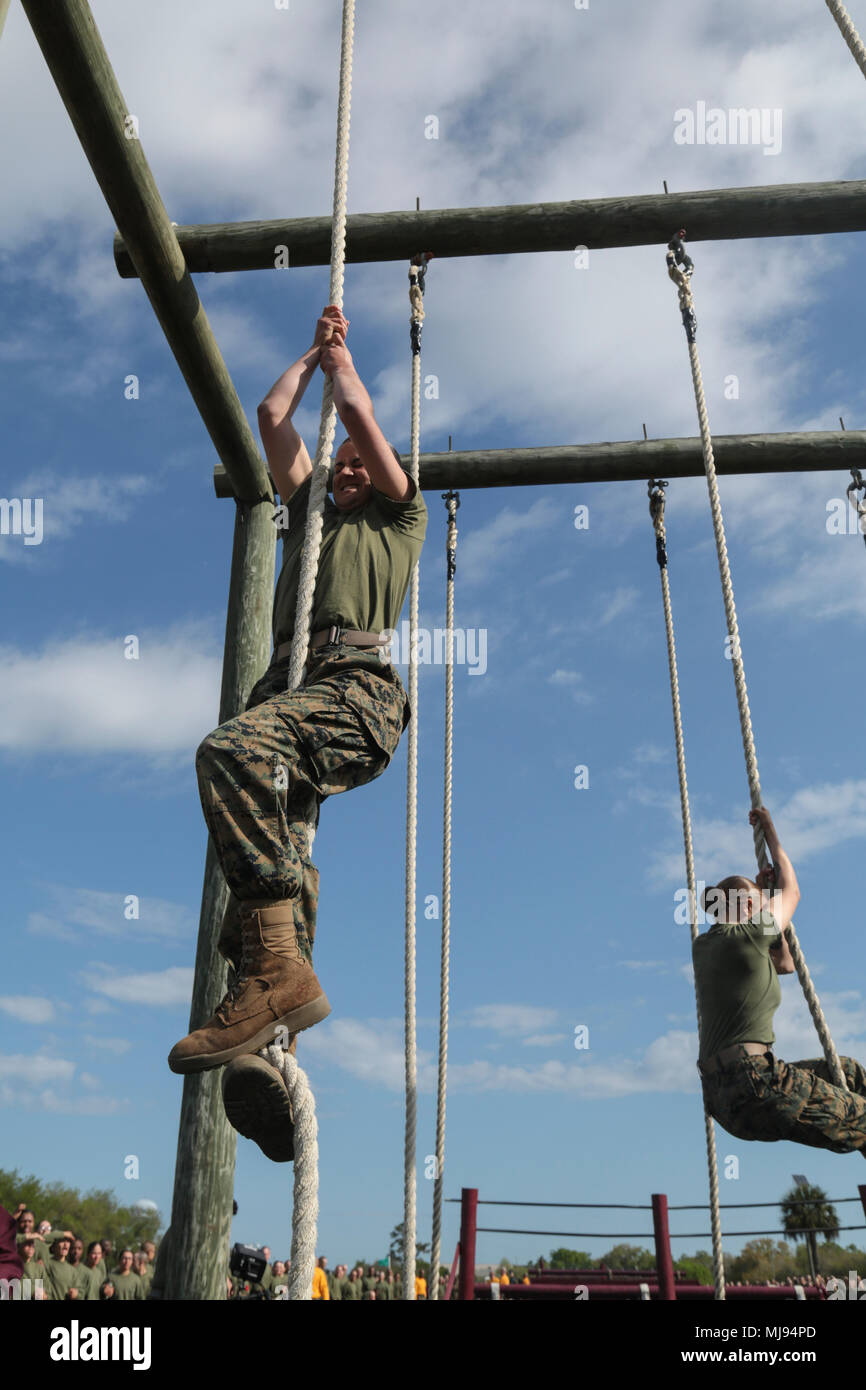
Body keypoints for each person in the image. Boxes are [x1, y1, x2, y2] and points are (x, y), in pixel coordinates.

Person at [168, 304, 428, 1165]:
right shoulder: (311, 511)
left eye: (358, 465)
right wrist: (308, 361)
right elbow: (273, 419)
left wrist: (342, 363)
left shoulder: (399, 518)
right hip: (288, 688)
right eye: (340, 468)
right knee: (251, 898)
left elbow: (358, 420)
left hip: (353, 692)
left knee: (231, 751)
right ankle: (268, 1060)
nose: (347, 472)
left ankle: (279, 978)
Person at [694, 805, 866, 1158]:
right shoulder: (748, 934)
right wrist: (770, 829)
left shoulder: (707, 943)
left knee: (848, 1073)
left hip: (726, 1097)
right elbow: (793, 892)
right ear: (744, 907)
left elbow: (785, 964)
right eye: (758, 901)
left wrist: (765, 898)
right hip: (756, 1083)